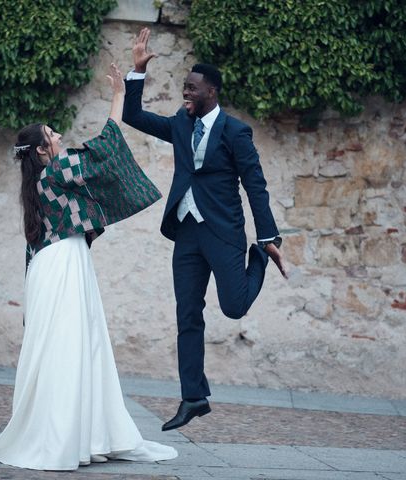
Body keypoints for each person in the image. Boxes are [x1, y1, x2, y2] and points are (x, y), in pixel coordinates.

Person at [0, 63, 177, 470]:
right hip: (62, 268)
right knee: (71, 347)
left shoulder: (37, 185)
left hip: (55, 265)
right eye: (53, 136)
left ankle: (80, 437)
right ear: (42, 150)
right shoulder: (56, 171)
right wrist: (118, 97)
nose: (60, 138)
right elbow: (102, 152)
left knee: (69, 347)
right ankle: (66, 439)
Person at [122, 28, 288, 431]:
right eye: (184, 87)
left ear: (211, 91)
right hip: (186, 232)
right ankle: (193, 397)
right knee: (187, 315)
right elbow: (133, 117)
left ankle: (257, 259)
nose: (186, 93)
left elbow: (255, 185)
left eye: (192, 88)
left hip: (224, 232)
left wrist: (267, 238)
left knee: (234, 307)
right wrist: (137, 72)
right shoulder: (181, 123)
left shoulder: (236, 132)